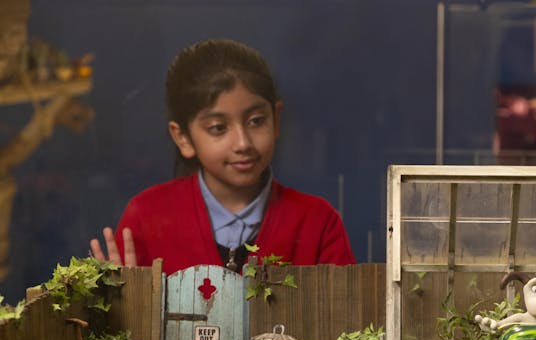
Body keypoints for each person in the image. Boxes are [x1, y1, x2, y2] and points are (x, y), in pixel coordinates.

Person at [90, 39, 355, 275]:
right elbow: (121, 321)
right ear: (183, 137)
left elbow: (346, 320)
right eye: (218, 128)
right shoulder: (146, 217)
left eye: (256, 121)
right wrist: (123, 304)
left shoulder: (318, 223)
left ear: (276, 119)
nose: (243, 143)